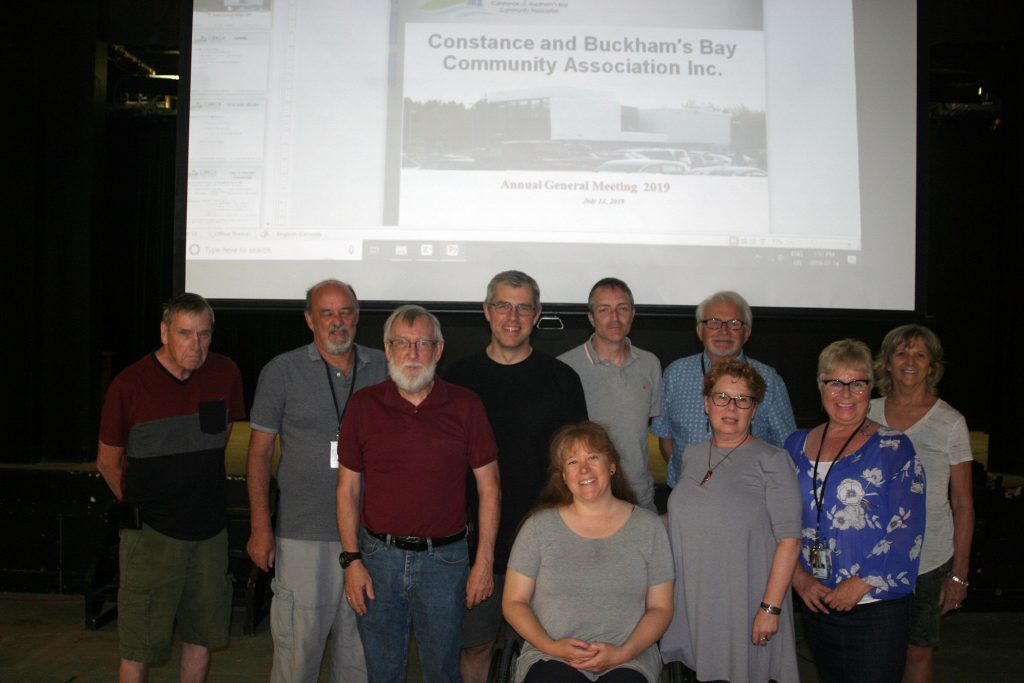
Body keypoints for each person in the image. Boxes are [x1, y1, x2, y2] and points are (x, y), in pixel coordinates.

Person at [337, 305, 501, 683]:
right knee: (382, 672)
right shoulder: (363, 407)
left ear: (439, 350)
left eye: (422, 344)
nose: (412, 353)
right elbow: (347, 489)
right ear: (387, 348)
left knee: (443, 672)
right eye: (403, 343)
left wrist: (483, 562)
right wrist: (352, 561)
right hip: (377, 561)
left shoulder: (466, 406)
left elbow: (489, 488)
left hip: (446, 563)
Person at [447, 270, 588, 682]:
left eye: (523, 307)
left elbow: (578, 470)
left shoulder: (562, 380)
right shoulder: (457, 380)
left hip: (546, 544)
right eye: (503, 306)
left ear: (537, 314)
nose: (513, 316)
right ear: (486, 312)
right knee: (474, 646)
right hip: (475, 547)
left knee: (544, 651)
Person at [96, 293, 245, 683]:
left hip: (209, 533)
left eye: (204, 335)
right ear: (164, 333)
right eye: (184, 333)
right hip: (151, 539)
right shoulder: (129, 385)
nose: (196, 345)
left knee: (202, 636)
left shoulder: (225, 372)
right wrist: (145, 506)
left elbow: (222, 436)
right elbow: (108, 462)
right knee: (138, 645)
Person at [246, 280, 387, 683]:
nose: (337, 322)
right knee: (298, 654)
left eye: (345, 312)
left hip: (370, 538)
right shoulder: (281, 371)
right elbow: (259, 453)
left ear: (357, 318)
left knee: (359, 656)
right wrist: (260, 526)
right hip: (303, 534)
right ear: (310, 320)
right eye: (327, 313)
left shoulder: (383, 367)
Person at [785, 339, 926, 683]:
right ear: (821, 386)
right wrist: (799, 579)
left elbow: (907, 527)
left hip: (876, 606)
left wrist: (860, 584)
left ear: (870, 388)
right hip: (817, 600)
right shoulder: (794, 445)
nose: (846, 393)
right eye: (835, 382)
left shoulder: (894, 446)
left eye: (857, 382)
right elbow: (778, 520)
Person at [660, 359, 802, 682]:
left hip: (746, 599)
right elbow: (690, 514)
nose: (732, 407)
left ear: (754, 410)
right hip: (697, 594)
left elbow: (790, 541)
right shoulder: (693, 455)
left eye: (743, 400)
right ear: (706, 403)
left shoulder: (774, 460)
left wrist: (770, 608)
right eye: (722, 396)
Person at [503, 422, 674, 683]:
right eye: (572, 462)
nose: (584, 469)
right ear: (562, 476)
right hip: (551, 655)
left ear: (612, 465)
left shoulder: (647, 527)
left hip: (630, 657)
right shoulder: (538, 528)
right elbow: (514, 602)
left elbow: (661, 607)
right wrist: (550, 646)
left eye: (593, 457)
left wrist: (623, 653)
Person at [869, 325, 974, 683]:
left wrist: (959, 573)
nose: (910, 362)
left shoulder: (950, 422)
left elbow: (962, 503)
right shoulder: (864, 413)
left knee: (917, 651)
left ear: (932, 365)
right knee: (875, 651)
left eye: (920, 354)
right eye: (901, 353)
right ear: (886, 363)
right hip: (871, 556)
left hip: (929, 560)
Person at [652, 291, 796, 489]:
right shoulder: (675, 373)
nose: (724, 331)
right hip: (686, 492)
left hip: (748, 496)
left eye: (734, 324)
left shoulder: (769, 379)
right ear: (699, 331)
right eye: (713, 322)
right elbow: (665, 437)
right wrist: (690, 475)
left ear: (747, 333)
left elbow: (786, 446)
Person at [559, 278, 662, 511]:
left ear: (633, 314)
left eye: (622, 309)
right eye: (604, 310)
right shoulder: (564, 368)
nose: (614, 318)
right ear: (591, 318)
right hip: (585, 498)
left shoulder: (650, 364)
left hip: (639, 498)